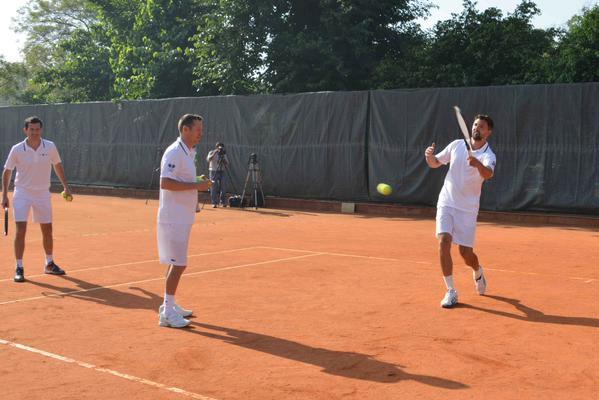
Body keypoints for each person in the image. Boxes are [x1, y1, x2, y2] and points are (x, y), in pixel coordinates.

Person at [424, 114, 496, 308]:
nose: (476, 128)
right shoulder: (456, 145)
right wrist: (429, 156)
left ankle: (478, 271)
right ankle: (451, 291)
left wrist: (478, 164)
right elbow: (435, 163)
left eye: (481, 127)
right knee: (444, 241)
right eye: (475, 125)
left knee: (466, 254)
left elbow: (488, 174)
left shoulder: (489, 155)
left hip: (468, 209)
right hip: (447, 201)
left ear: (488, 132)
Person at [2, 116, 72, 283]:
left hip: (42, 193)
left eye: (37, 129)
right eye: (31, 129)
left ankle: (49, 263)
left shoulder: (50, 146)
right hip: (22, 193)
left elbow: (57, 165)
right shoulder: (17, 149)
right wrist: (4, 195)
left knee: (47, 230)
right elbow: (7, 171)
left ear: (41, 130)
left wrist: (66, 186)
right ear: (25, 130)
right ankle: (19, 267)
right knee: (21, 230)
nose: (35, 132)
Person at [157, 114, 211, 328]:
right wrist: (196, 187)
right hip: (173, 217)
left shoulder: (188, 152)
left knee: (174, 261)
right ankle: (168, 314)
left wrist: (196, 182)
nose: (201, 133)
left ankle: (168, 305)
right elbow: (165, 182)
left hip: (183, 215)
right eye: (198, 129)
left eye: (201, 129)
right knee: (179, 263)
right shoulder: (174, 152)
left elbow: (180, 180)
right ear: (185, 130)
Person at [206, 142, 229, 208]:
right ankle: (214, 203)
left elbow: (227, 163)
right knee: (213, 187)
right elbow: (208, 159)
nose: (220, 149)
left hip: (222, 171)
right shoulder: (211, 152)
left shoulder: (223, 154)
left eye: (222, 147)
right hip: (213, 171)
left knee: (223, 187)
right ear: (216, 147)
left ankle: (223, 202)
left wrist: (223, 157)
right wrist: (215, 152)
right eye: (219, 147)